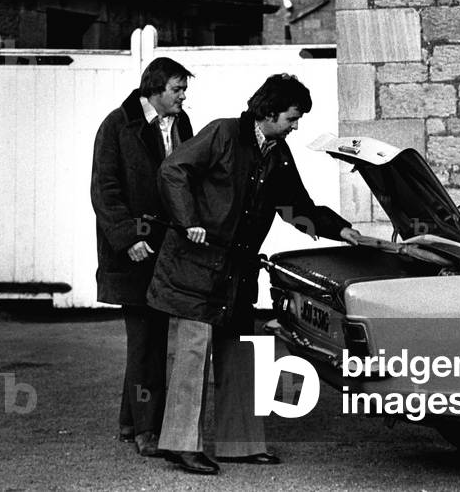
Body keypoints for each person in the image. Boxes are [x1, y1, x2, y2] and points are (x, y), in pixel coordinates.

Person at [148, 73, 361, 474]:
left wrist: (340, 229)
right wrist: (188, 219)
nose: (295, 126)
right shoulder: (224, 134)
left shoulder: (278, 153)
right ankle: (180, 445)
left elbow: (294, 205)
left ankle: (240, 444)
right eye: (291, 118)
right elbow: (172, 171)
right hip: (196, 266)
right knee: (193, 354)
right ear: (268, 112)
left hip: (237, 271)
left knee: (241, 351)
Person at [90, 57, 194, 457]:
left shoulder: (181, 123)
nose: (183, 97)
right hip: (134, 251)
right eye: (177, 90)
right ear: (155, 89)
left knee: (150, 339)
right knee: (145, 341)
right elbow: (105, 189)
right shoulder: (117, 125)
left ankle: (130, 422)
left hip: (166, 247)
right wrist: (127, 237)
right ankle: (147, 431)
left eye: (184, 90)